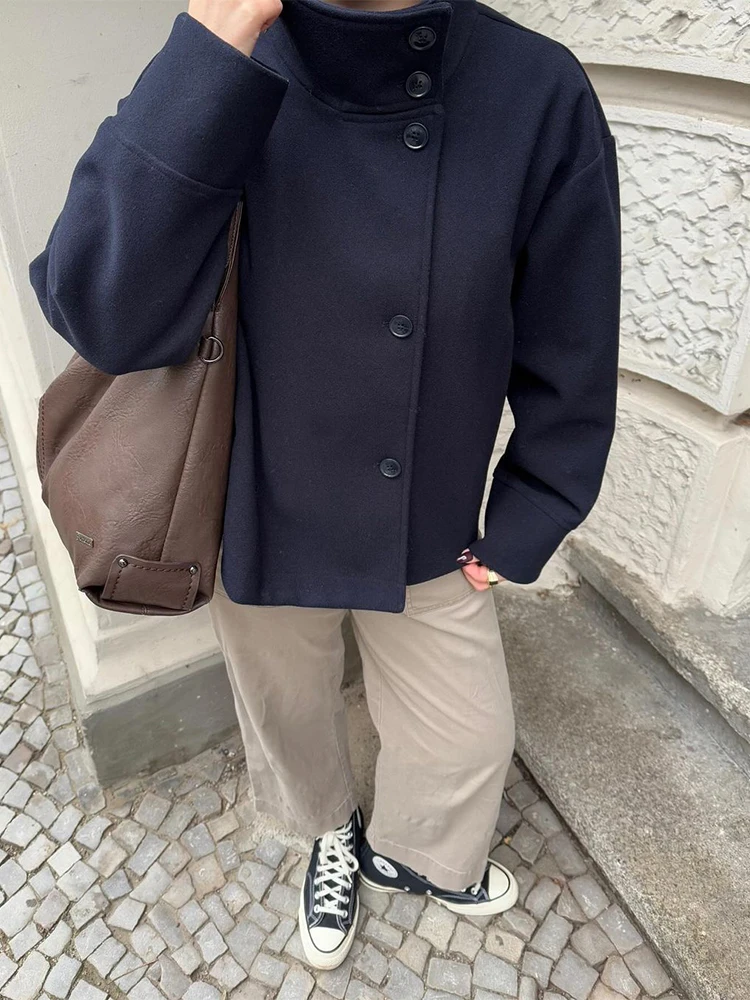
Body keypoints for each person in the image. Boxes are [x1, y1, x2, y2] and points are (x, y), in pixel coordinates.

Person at [28, 0, 621, 972]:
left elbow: (573, 329)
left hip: (431, 516)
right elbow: (100, 306)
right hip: (258, 500)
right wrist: (207, 56)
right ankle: (329, 832)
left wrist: (532, 511)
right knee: (289, 716)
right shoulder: (228, 62)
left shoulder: (534, 87)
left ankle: (417, 854)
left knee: (468, 737)